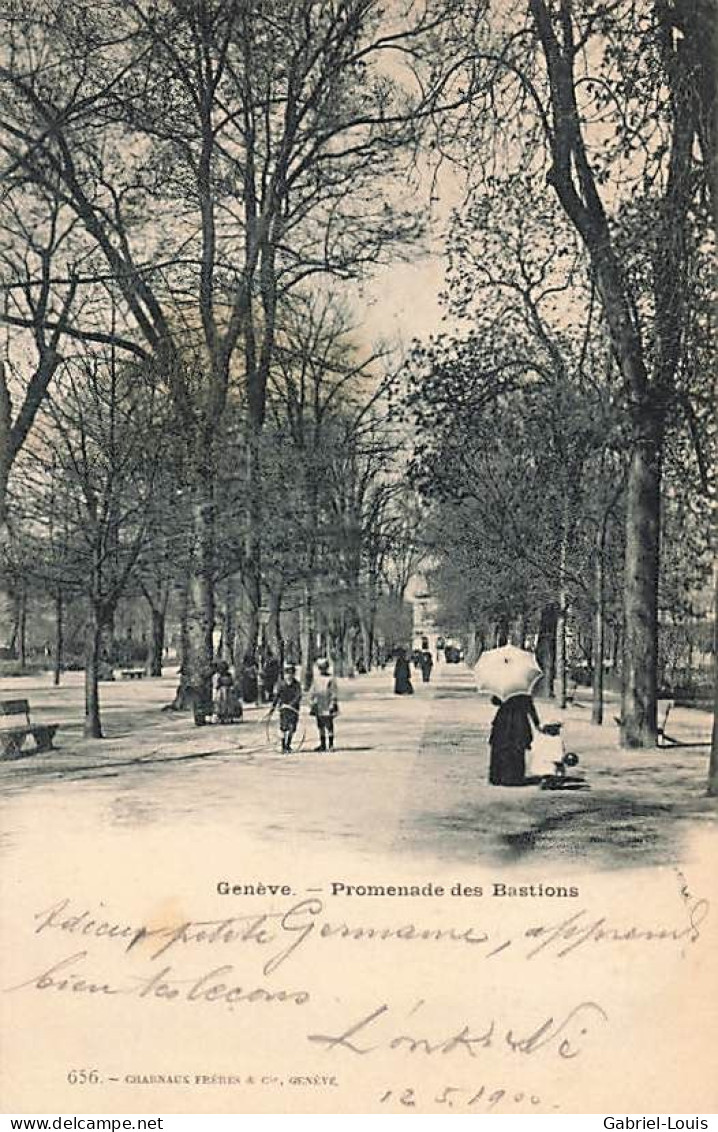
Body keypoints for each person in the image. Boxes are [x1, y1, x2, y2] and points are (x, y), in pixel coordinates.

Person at [488, 693, 541, 786]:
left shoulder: (503, 688)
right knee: (516, 748)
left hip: (503, 719)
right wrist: (536, 722)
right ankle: (514, 777)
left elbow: (495, 701)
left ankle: (498, 776)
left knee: (501, 747)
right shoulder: (523, 691)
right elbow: (530, 707)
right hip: (519, 721)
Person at [310, 657, 339, 751]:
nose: (322, 669)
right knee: (320, 725)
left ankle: (330, 744)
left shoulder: (330, 678)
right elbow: (313, 690)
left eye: (324, 667)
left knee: (329, 724)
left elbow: (333, 691)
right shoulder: (316, 679)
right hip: (319, 703)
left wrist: (333, 702)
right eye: (320, 667)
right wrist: (312, 700)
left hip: (328, 702)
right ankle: (322, 744)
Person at [272, 663, 302, 753]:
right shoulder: (280, 684)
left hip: (294, 709)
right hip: (284, 709)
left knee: (292, 728)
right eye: (287, 673)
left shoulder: (297, 684)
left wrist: (292, 704)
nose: (289, 675)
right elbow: (277, 696)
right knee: (284, 728)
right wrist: (273, 707)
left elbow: (298, 696)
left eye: (291, 673)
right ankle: (283, 746)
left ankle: (288, 744)